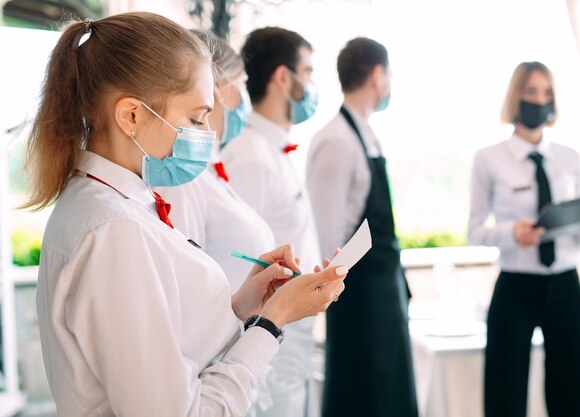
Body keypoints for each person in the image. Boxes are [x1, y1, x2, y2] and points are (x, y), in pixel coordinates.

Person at [23, 12, 347, 417]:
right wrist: (273, 321)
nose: (205, 133)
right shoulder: (114, 229)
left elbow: (171, 336)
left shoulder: (120, 205)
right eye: (194, 119)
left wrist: (243, 304)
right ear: (132, 116)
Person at [468, 61, 580, 417]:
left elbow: (576, 240)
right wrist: (511, 234)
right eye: (531, 91)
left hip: (565, 288)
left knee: (570, 396)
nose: (539, 99)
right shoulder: (488, 159)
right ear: (516, 97)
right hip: (514, 290)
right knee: (505, 397)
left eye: (546, 92)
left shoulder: (570, 158)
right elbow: (474, 232)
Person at [305, 37, 418, 417]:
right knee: (363, 398)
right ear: (376, 75)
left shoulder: (366, 134)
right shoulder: (335, 141)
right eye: (388, 75)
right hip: (359, 302)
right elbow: (328, 236)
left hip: (384, 295)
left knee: (391, 396)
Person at [220, 27, 322, 417]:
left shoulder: (274, 149)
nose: (312, 85)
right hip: (271, 331)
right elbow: (237, 257)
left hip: (292, 328)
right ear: (284, 78)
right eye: (308, 72)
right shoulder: (250, 157)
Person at [155, 33, 272, 294]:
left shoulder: (209, 169)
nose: (245, 99)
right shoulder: (182, 177)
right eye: (242, 84)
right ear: (215, 90)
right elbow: (185, 281)